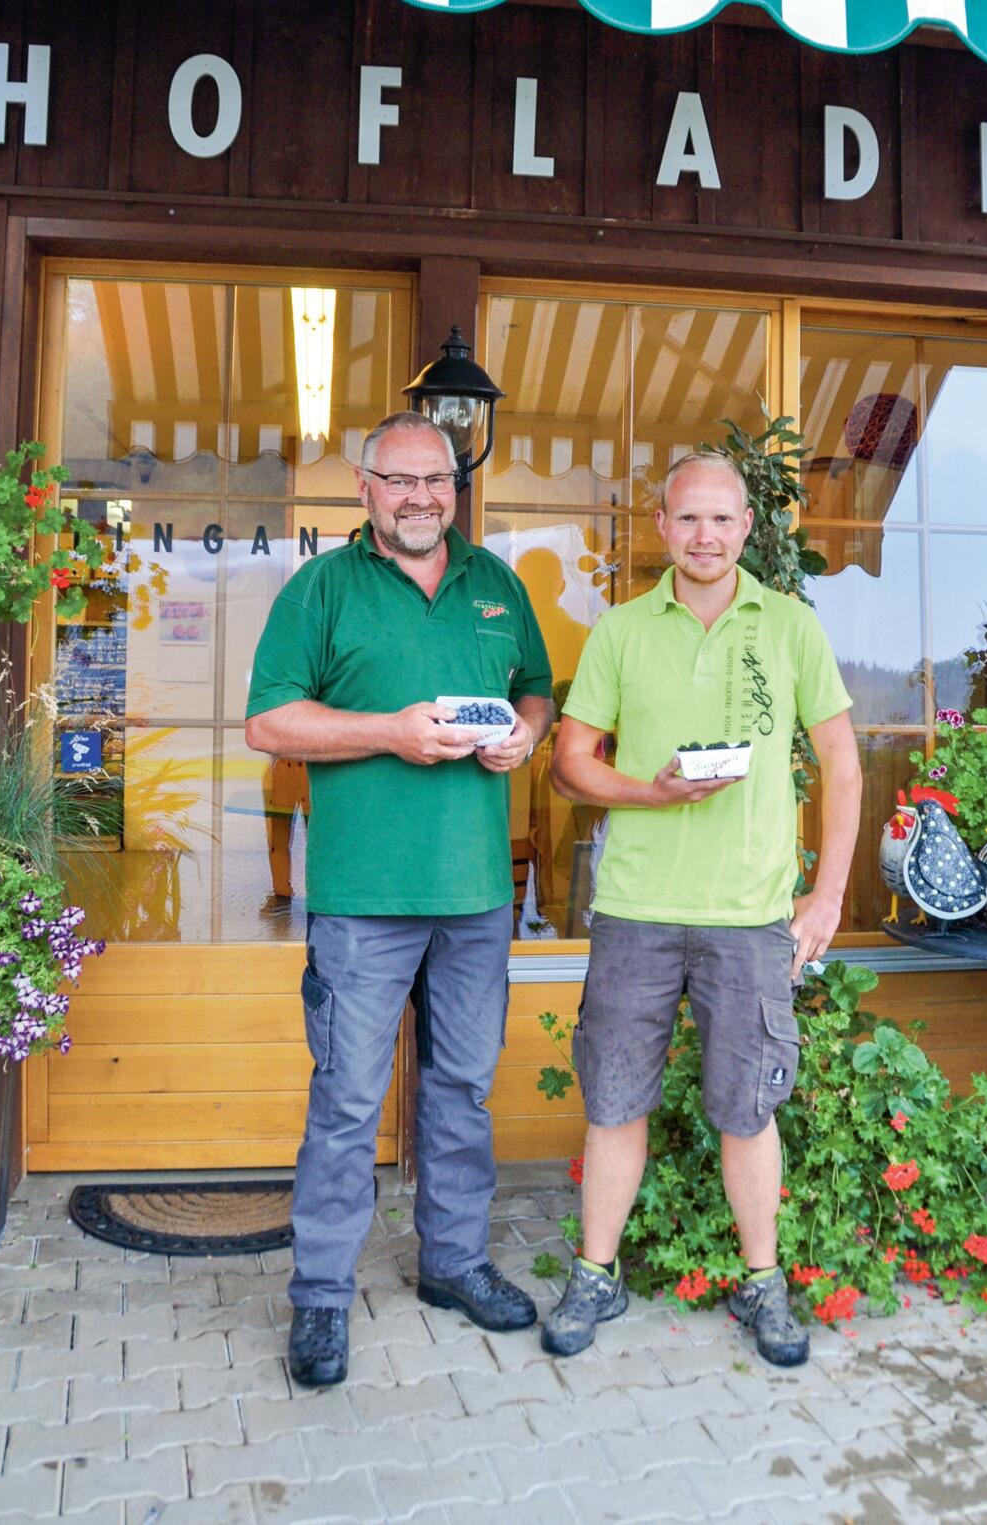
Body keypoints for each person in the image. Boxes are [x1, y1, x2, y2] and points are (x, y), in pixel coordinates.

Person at [245, 411, 554, 1388]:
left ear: (456, 487)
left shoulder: (496, 585)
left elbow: (537, 688)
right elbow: (268, 721)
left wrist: (526, 734)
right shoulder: (323, 588)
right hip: (363, 897)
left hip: (473, 894)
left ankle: (452, 1264)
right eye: (402, 480)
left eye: (440, 480)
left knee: (461, 1088)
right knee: (345, 1102)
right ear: (365, 486)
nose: (423, 496)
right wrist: (390, 730)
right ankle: (322, 1299)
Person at [543, 450, 860, 1366]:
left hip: (750, 916)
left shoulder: (792, 626)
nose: (706, 536)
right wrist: (652, 794)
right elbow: (570, 761)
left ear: (747, 529)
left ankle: (765, 1283)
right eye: (688, 519)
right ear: (662, 526)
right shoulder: (621, 632)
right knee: (613, 1098)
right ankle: (595, 1275)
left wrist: (828, 892)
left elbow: (841, 763)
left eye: (722, 520)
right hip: (637, 907)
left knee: (746, 1109)